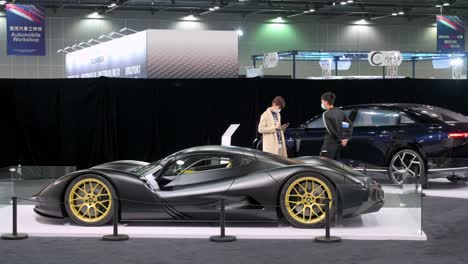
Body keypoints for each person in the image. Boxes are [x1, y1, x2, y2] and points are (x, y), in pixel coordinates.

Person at [319, 92, 353, 160]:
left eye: (322, 101)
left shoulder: (326, 114)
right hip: (338, 145)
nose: (322, 104)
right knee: (336, 165)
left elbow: (331, 130)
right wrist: (345, 139)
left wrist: (340, 140)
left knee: (324, 163)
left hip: (329, 144)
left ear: (325, 102)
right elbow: (349, 125)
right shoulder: (340, 112)